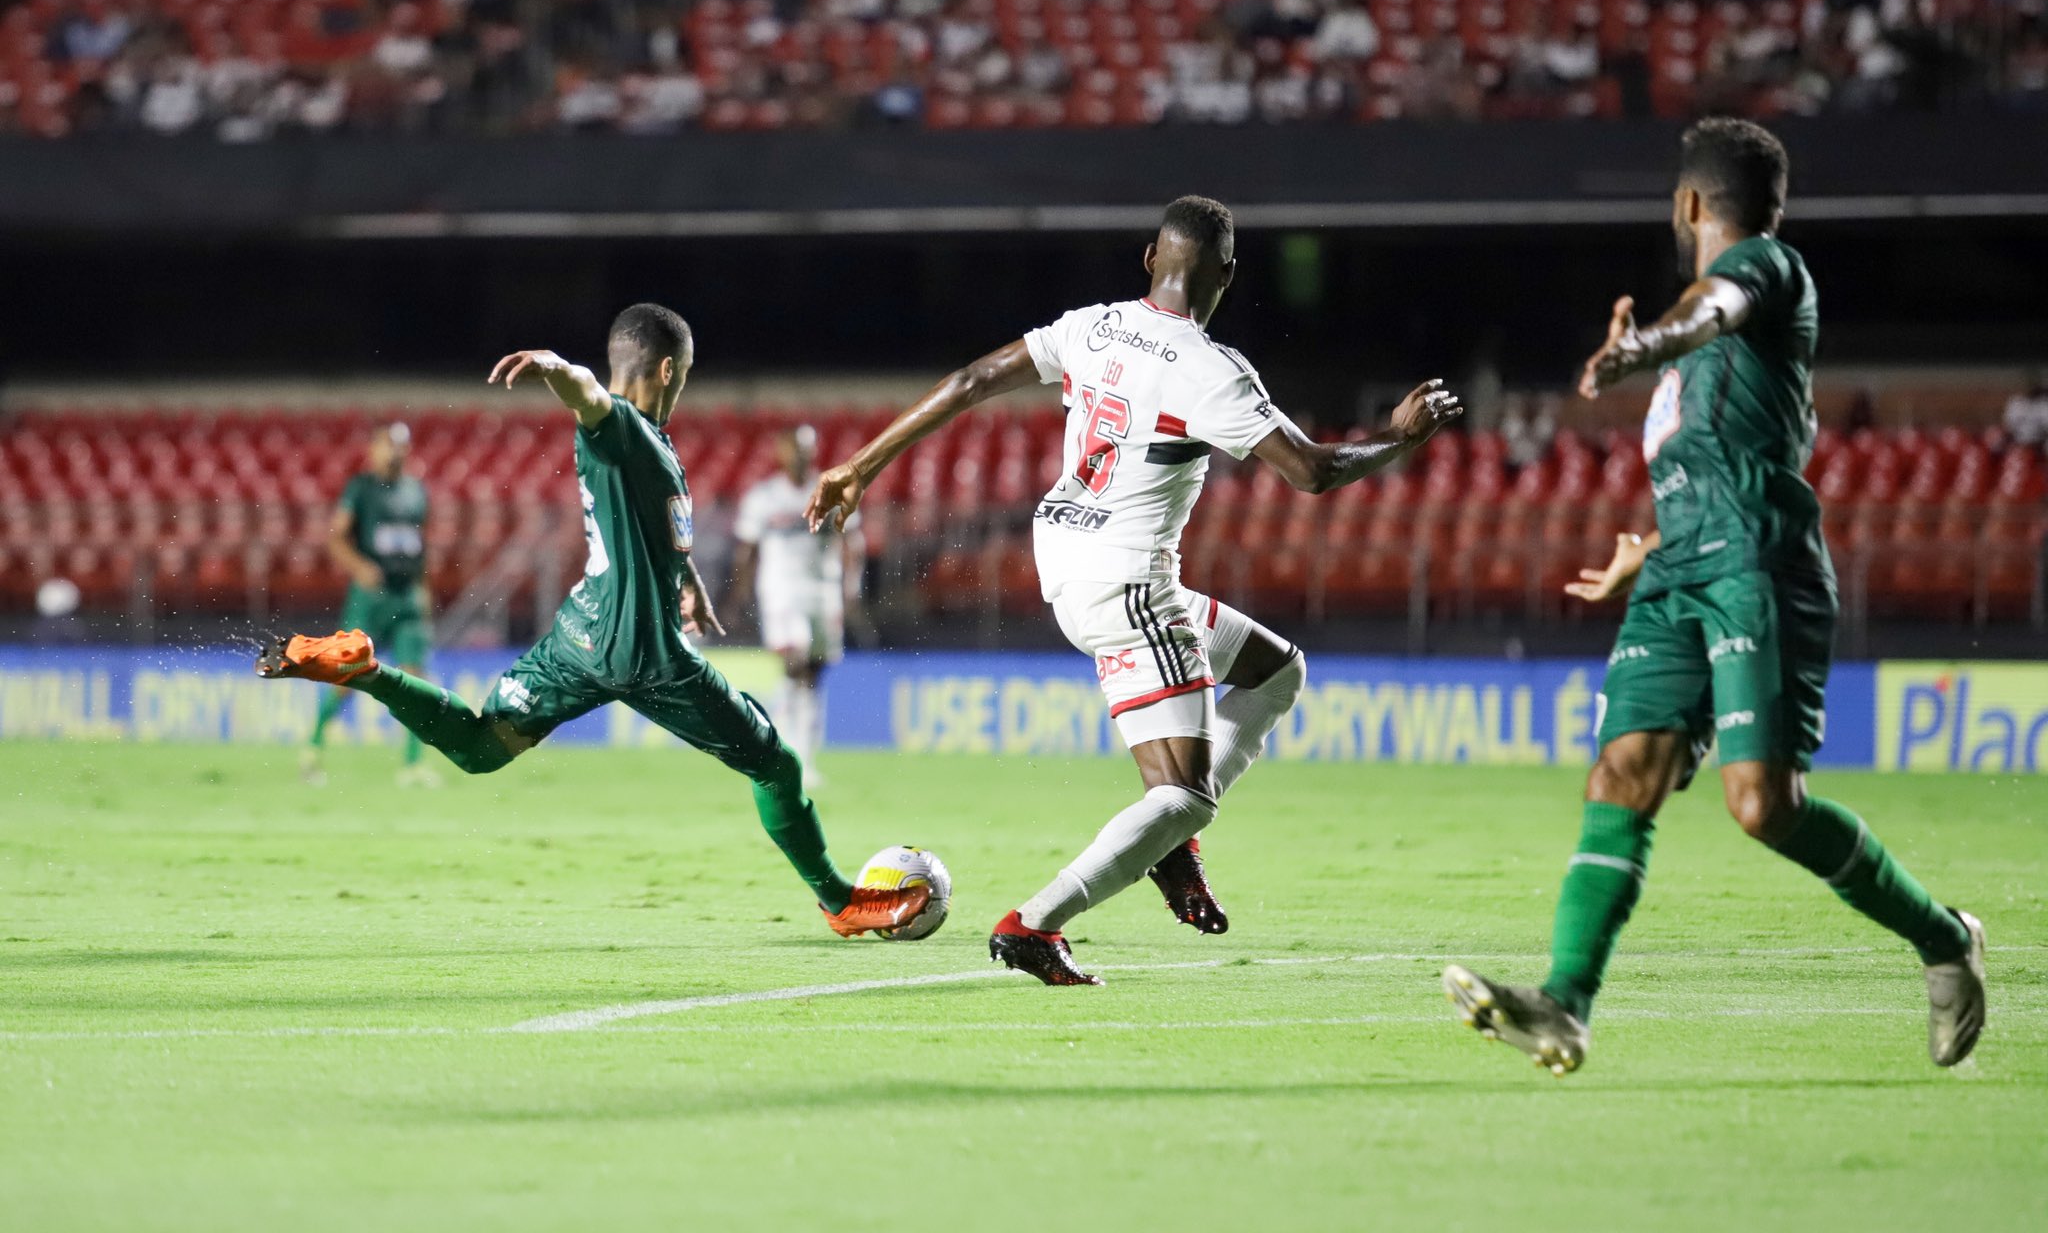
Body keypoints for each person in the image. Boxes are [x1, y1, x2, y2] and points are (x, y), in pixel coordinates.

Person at [1444, 118, 1986, 1074]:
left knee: (1762, 805)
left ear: (1690, 204)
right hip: (1678, 571)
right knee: (1622, 773)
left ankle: (1944, 939)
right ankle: (1565, 1003)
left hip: (1754, 566)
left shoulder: (1768, 272)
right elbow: (1728, 440)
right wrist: (1647, 549)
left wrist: (1644, 345)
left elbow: (1710, 307)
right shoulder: (1715, 352)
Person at [807, 197, 1461, 984]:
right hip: (1127, 582)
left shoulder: (1093, 324)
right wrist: (1398, 435)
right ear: (1227, 273)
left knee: (1276, 670)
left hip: (1069, 558)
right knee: (1185, 795)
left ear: (1150, 258)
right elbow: (1312, 472)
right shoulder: (1213, 370)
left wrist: (858, 467)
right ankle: (1035, 924)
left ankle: (1167, 846)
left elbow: (975, 379)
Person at [255, 304, 929, 939]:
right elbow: (590, 400)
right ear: (670, 369)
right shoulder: (626, 430)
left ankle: (366, 671)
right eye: (686, 373)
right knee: (776, 766)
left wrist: (685, 579)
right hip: (641, 649)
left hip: (580, 634)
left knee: (481, 748)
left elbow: (643, 528)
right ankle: (839, 901)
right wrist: (556, 367)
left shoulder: (649, 449)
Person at [725, 425, 860, 790]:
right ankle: (786, 753)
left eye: (807, 448)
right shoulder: (764, 497)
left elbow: (852, 542)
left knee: (813, 674)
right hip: (781, 591)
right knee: (795, 660)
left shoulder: (831, 493)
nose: (801, 455)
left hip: (823, 591)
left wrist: (851, 587)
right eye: (795, 449)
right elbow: (747, 550)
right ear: (782, 452)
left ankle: (805, 757)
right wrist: (737, 597)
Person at [305, 422, 438, 787]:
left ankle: (412, 765)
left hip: (407, 593)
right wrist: (358, 566)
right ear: (374, 448)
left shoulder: (417, 492)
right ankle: (313, 749)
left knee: (415, 680)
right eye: (388, 445)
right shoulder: (360, 488)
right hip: (371, 597)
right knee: (347, 676)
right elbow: (336, 536)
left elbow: (420, 545)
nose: (395, 452)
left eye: (401, 446)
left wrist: (424, 588)